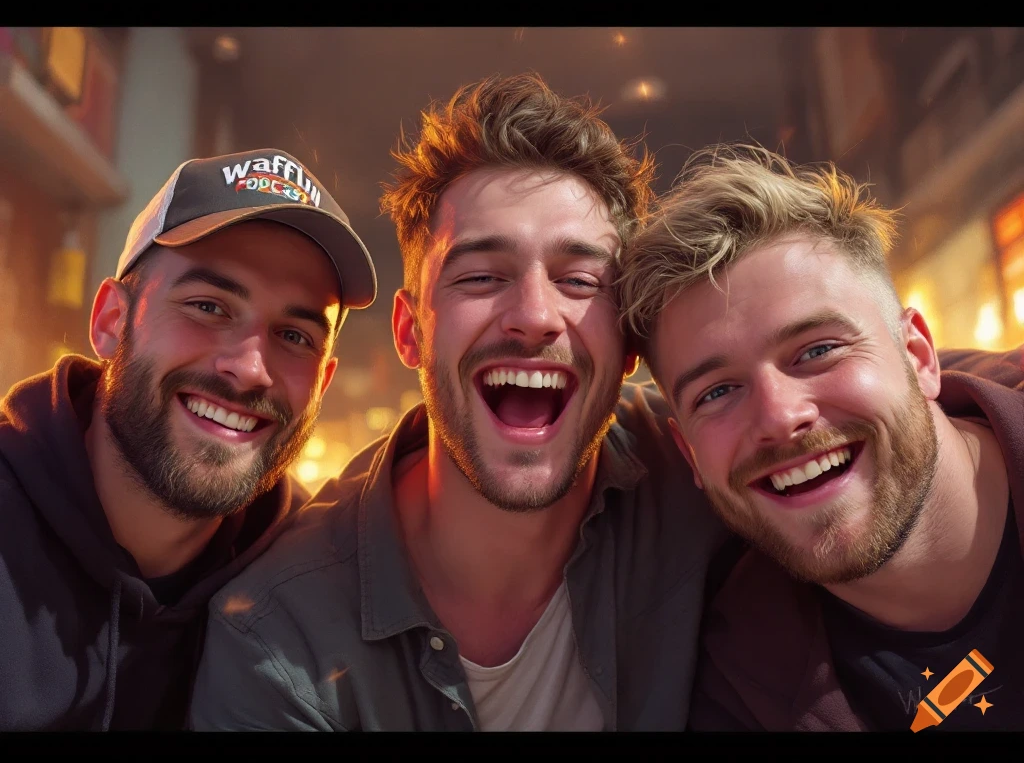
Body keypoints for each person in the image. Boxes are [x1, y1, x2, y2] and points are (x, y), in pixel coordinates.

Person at [189, 73, 733, 732]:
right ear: (411, 331)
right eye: (480, 276)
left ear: (628, 343)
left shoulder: (709, 461)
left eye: (580, 280)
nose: (534, 316)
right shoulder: (280, 637)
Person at [616, 143, 1024, 731]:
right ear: (691, 457)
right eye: (717, 392)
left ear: (918, 355)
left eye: (817, 350)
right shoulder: (739, 692)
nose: (780, 417)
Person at [0, 148, 377, 730]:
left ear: (323, 382)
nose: (251, 368)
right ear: (111, 321)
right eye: (208, 306)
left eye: (295, 336)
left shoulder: (316, 579)